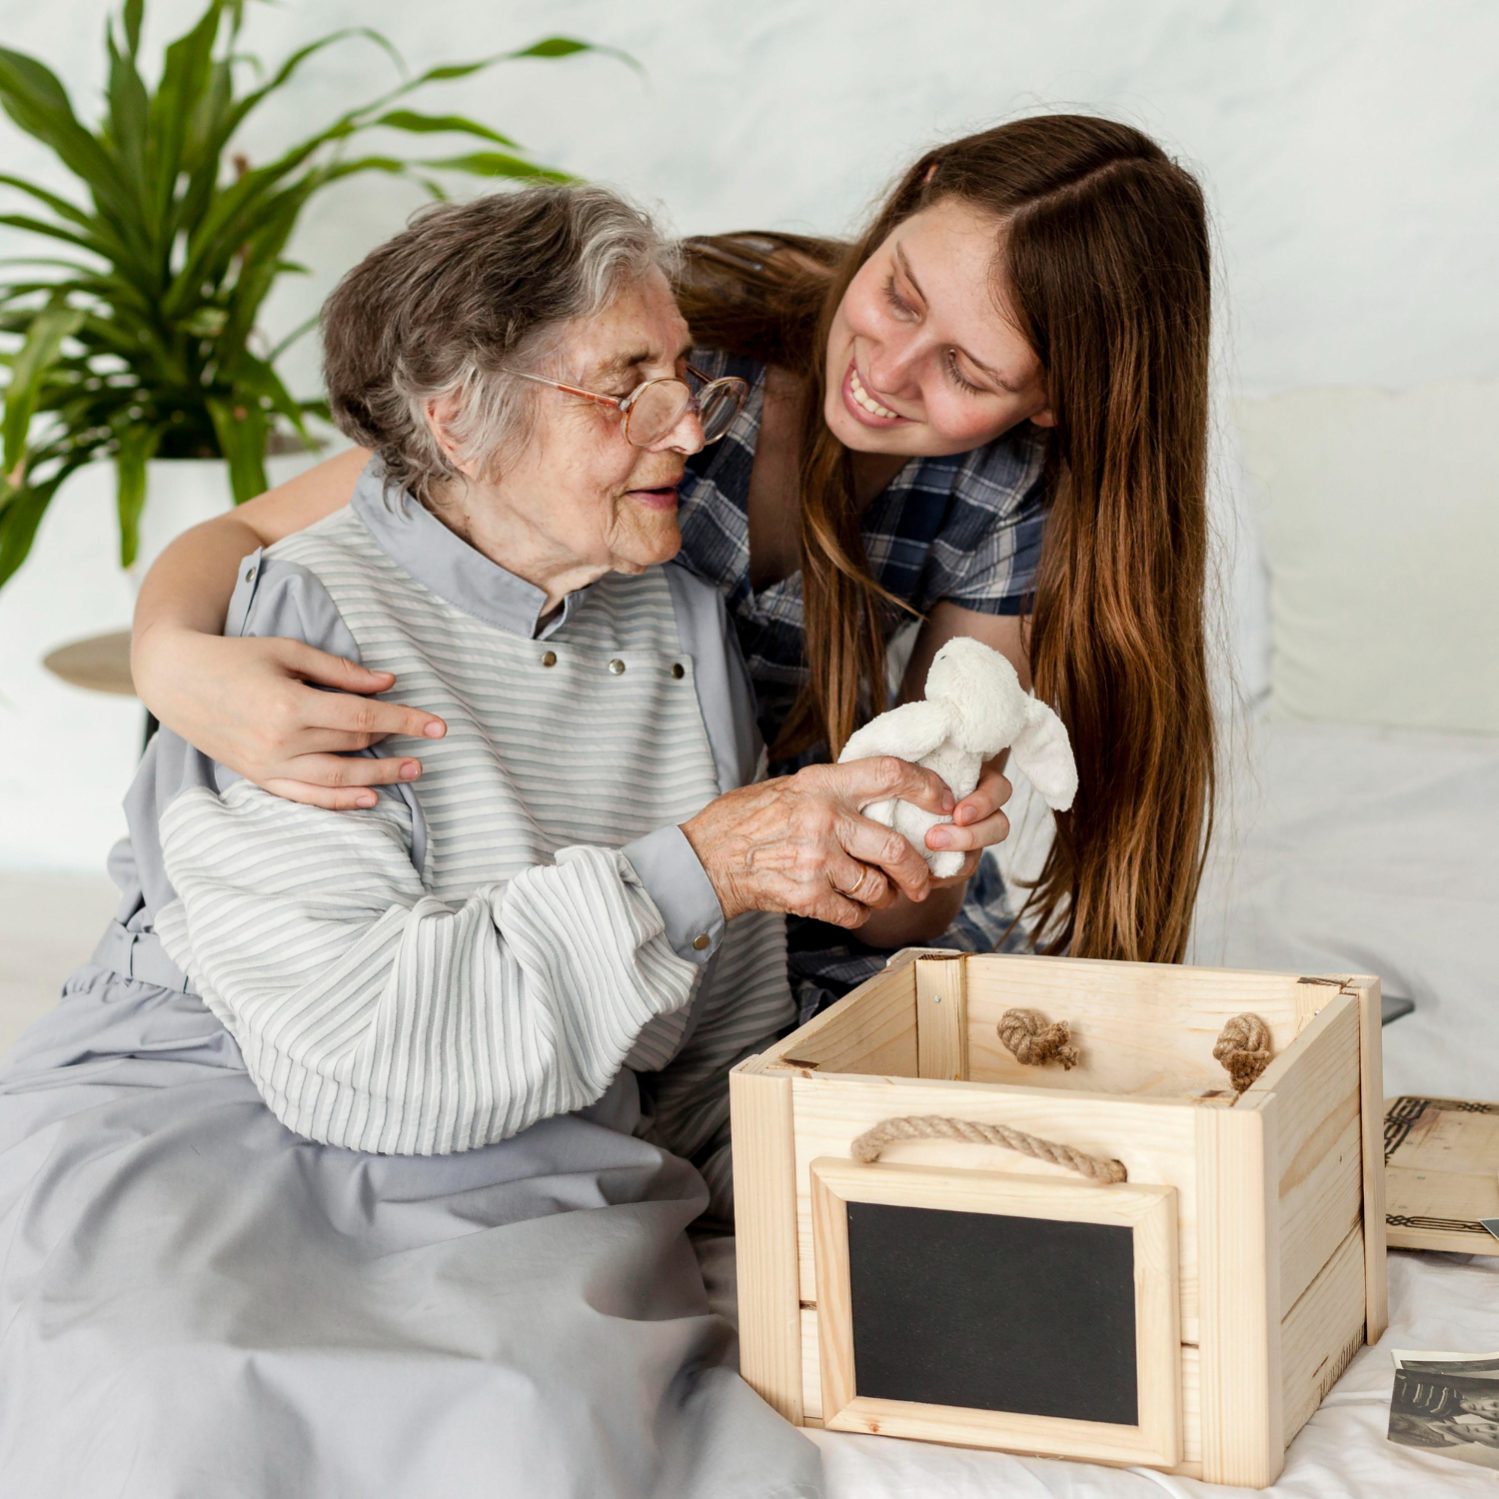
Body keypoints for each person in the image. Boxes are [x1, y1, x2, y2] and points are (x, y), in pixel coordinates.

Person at [0, 183, 983, 1496]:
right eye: (622, 383)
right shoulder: (304, 619)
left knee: (535, 1423)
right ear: (458, 417)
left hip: (539, 1134)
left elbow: (710, 1033)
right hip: (222, 1096)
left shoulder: (676, 623)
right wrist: (700, 862)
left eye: (683, 376)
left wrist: (877, 1169)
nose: (688, 425)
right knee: (166, 1389)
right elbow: (354, 1062)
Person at [131, 113, 1216, 1017]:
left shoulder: (1007, 497)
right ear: (913, 194)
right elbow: (262, 533)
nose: (882, 371)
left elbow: (906, 907)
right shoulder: (672, 352)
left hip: (784, 913)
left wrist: (912, 849)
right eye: (896, 295)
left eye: (966, 370)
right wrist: (172, 663)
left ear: (1053, 399)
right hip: (578, 869)